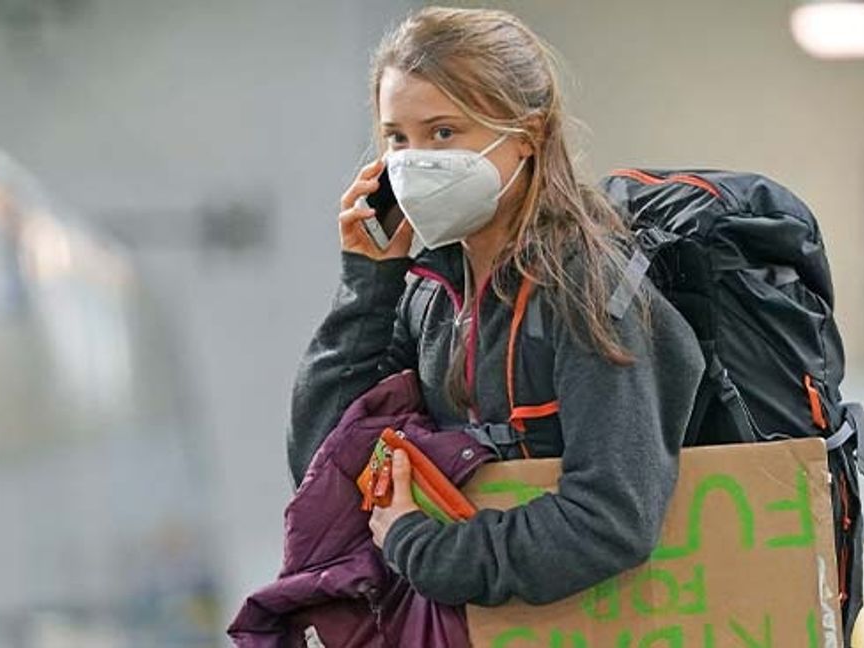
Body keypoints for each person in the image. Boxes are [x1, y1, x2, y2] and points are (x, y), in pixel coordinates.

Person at [288, 6, 704, 607]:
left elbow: (611, 518)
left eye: (443, 132)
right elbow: (321, 463)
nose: (412, 161)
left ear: (527, 136)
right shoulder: (429, 289)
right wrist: (369, 282)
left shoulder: (588, 287)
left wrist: (423, 547)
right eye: (396, 138)